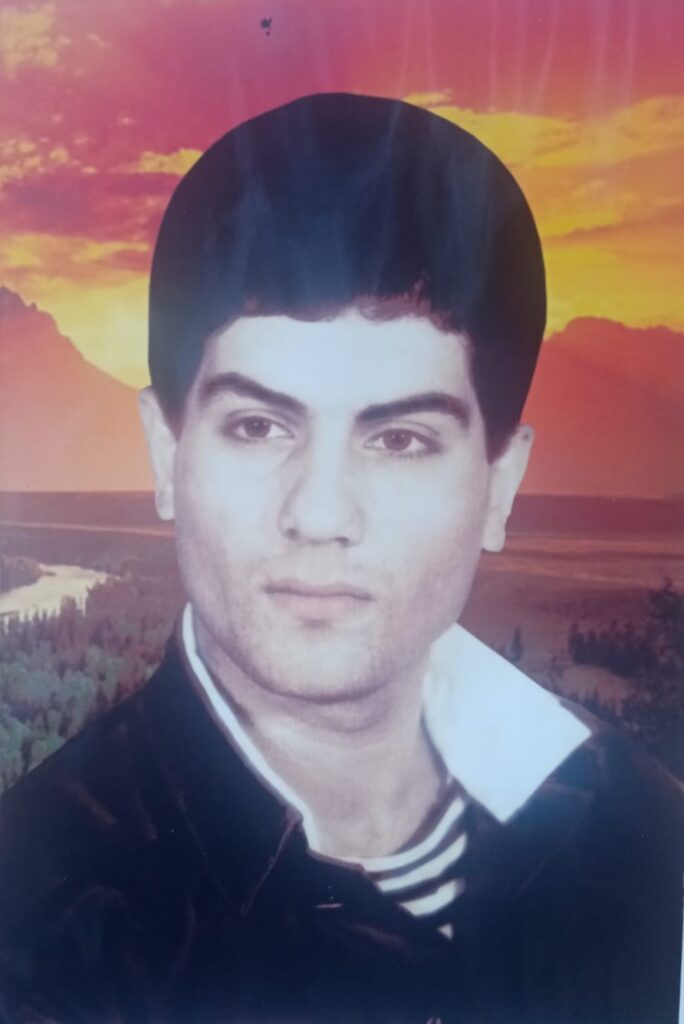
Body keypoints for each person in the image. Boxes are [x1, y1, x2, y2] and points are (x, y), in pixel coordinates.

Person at [0, 93, 681, 1024]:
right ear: (166, 455)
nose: (320, 514)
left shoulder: (649, 838)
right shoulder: (33, 923)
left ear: (501, 485)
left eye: (399, 439)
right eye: (258, 425)